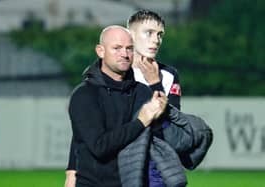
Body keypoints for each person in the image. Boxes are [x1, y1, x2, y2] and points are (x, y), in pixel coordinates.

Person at [65, 10, 213, 187]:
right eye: (149, 33)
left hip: (149, 169)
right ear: (131, 35)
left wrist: (155, 85)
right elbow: (86, 132)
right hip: (106, 171)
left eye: (160, 34)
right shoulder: (101, 80)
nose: (156, 39)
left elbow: (169, 128)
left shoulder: (166, 75)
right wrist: (72, 171)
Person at [67, 25, 169, 187]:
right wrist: (141, 121)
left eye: (129, 49)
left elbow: (161, 138)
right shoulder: (85, 95)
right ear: (100, 51)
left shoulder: (142, 92)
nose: (125, 54)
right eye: (117, 48)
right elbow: (99, 146)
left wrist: (156, 86)